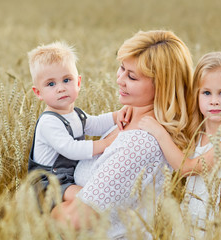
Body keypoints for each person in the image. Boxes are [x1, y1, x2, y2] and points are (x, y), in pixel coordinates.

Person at [50, 30, 194, 239]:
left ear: (161, 87)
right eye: (122, 68)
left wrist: (43, 206)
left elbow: (75, 219)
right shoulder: (123, 120)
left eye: (132, 77)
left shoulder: (139, 143)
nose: (120, 79)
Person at [139, 51, 221, 224]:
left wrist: (159, 133)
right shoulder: (197, 134)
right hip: (193, 222)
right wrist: (124, 113)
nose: (214, 100)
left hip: (219, 228)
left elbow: (186, 168)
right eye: (206, 93)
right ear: (196, 95)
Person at [27, 41, 129, 203]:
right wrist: (107, 143)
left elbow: (94, 124)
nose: (61, 88)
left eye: (67, 80)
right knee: (87, 197)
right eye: (51, 84)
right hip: (49, 184)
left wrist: (117, 116)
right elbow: (71, 149)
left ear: (78, 82)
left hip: (68, 179)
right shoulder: (49, 122)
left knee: (96, 194)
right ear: (38, 93)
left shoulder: (75, 114)